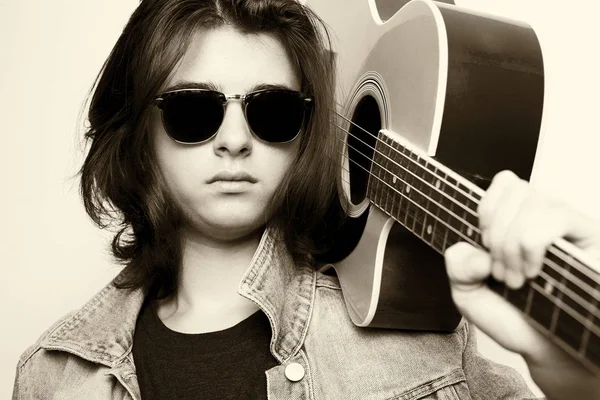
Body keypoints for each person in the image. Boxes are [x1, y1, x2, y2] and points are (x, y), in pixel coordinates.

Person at [11, 0, 600, 399]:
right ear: (139, 134)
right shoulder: (56, 374)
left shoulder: (416, 332)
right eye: (195, 110)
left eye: (273, 112)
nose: (236, 142)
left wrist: (572, 377)